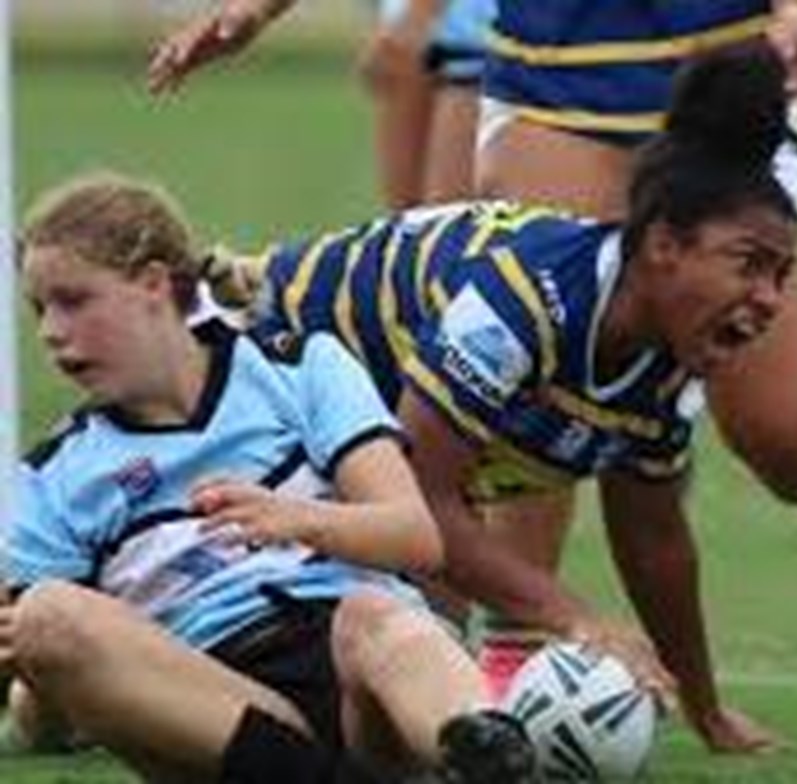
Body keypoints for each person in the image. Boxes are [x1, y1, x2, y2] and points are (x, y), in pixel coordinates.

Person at [206, 43, 797, 751]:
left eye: (781, 275)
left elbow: (654, 537)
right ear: (665, 246)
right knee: (341, 682)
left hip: (370, 461)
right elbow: (424, 501)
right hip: (258, 385)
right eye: (749, 265)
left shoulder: (672, 368)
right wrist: (577, 620)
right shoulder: (522, 298)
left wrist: (705, 711)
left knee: (419, 688)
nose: (768, 300)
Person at [0, 171, 539, 783]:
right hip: (210, 700)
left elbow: (416, 537)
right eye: (40, 309)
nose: (50, 332)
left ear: (153, 284)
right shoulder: (54, 475)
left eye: (73, 300)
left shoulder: (299, 364)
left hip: (358, 669)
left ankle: (483, 755)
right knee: (46, 614)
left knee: (374, 614)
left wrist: (298, 518)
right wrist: (33, 669)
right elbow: (47, 700)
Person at [471, 0, 797, 710]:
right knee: (548, 359)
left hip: (728, 63)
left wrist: (796, 9)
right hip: (558, 71)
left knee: (782, 435)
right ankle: (516, 656)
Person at [148, 0, 496, 207]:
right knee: (412, 255)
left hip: (484, 44)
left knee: (454, 260)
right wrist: (253, 11)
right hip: (427, 40)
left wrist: (419, 17)